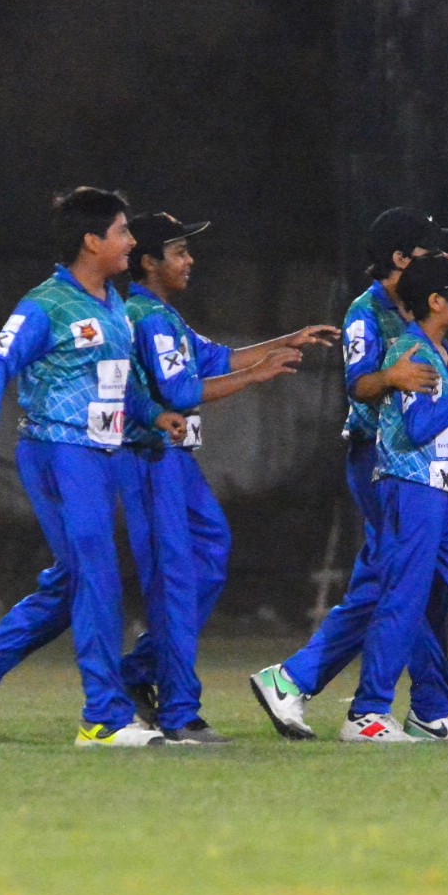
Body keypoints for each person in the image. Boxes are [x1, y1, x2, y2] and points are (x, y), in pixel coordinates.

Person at [0, 187, 184, 748]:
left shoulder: (114, 303)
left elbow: (116, 382)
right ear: (92, 241)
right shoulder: (45, 304)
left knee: (77, 580)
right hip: (58, 452)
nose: (131, 241)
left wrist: (153, 413)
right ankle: (103, 718)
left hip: (102, 456)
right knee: (97, 575)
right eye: (122, 231)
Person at [251, 211, 448, 742]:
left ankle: (414, 704)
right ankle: (413, 706)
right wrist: (392, 376)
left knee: (400, 581)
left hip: (415, 463)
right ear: (399, 258)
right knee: (401, 581)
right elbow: (359, 385)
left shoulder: (420, 309)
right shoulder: (366, 311)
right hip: (379, 460)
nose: (446, 260)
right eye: (432, 251)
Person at [118, 211, 339, 744]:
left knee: (209, 555)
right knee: (177, 580)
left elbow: (217, 358)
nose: (189, 260)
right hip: (152, 460)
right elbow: (179, 392)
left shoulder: (163, 315)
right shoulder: (144, 316)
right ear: (148, 262)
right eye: (178, 251)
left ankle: (138, 672)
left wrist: (289, 339)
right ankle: (178, 712)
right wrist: (257, 375)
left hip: (176, 462)